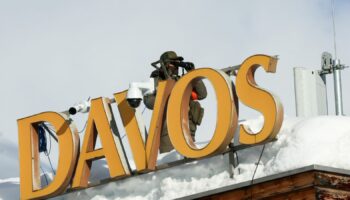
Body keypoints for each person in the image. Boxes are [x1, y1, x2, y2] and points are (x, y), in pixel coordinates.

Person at [144, 51, 207, 153]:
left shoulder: (183, 81)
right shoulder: (157, 82)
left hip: (187, 129)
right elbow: (149, 102)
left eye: (177, 63)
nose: (176, 66)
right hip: (167, 131)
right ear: (165, 65)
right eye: (173, 63)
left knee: (188, 160)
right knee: (170, 162)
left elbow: (202, 94)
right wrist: (168, 94)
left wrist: (193, 74)